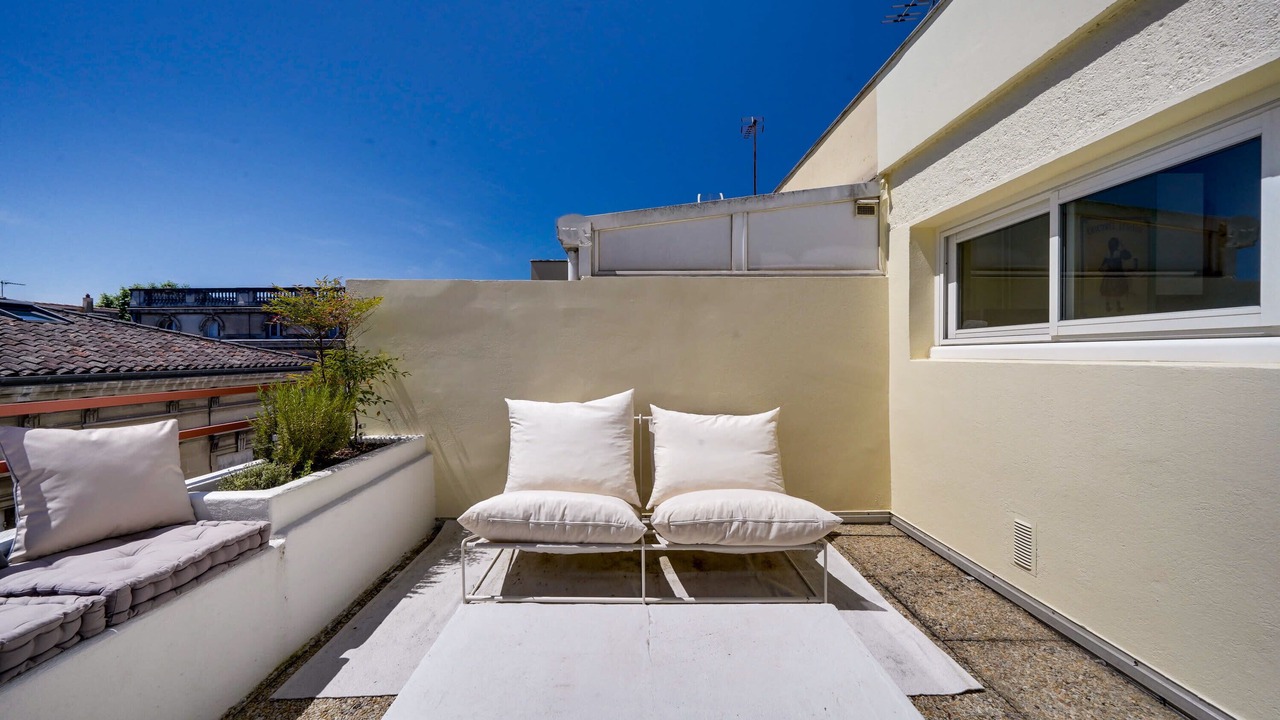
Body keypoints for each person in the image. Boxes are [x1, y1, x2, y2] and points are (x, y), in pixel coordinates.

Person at [1099, 237, 1135, 313]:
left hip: (1117, 274)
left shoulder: (1119, 253)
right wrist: (1102, 267)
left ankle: (1117, 305)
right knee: (1109, 292)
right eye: (1111, 244)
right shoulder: (1108, 253)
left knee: (1117, 291)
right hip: (1112, 274)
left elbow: (1128, 256)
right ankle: (1108, 305)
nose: (1112, 246)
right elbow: (1103, 263)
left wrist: (1123, 248)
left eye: (1114, 244)